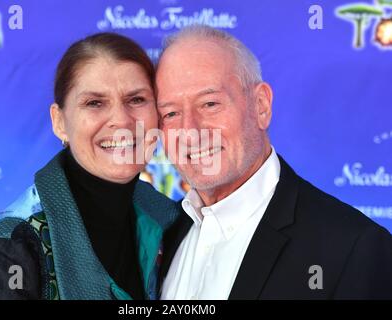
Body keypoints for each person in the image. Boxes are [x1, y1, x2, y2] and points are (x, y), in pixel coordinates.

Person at [156, 25, 392, 300]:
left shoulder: (353, 248)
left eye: (209, 104)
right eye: (171, 113)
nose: (190, 131)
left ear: (261, 106)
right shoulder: (158, 232)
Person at [0, 32, 180, 300]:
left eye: (136, 99)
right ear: (59, 122)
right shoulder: (13, 247)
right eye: (95, 103)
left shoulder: (171, 221)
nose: (122, 120)